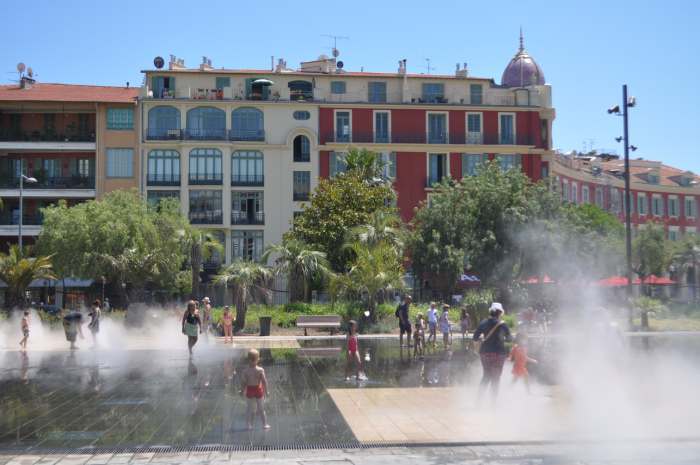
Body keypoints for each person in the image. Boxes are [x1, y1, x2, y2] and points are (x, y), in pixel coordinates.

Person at [473, 302, 514, 407]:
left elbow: (475, 338)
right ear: (500, 312)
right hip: (498, 354)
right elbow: (510, 339)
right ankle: (493, 405)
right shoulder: (503, 324)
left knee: (486, 377)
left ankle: (477, 403)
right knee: (495, 379)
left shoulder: (484, 323)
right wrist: (502, 339)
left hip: (485, 354)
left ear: (491, 312)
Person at [239, 349, 270, 430]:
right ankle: (264, 424)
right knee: (261, 409)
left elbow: (244, 383)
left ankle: (247, 425)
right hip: (258, 389)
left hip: (250, 389)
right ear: (258, 360)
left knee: (249, 409)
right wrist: (267, 391)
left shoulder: (245, 371)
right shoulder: (260, 370)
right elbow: (264, 381)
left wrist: (242, 391)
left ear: (247, 360)